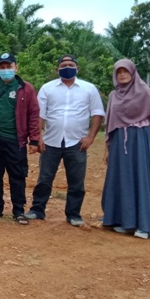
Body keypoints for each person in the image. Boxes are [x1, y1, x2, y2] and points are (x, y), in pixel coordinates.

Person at [25, 55, 105, 226]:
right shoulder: (47, 88)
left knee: (76, 181)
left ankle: (73, 214)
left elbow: (97, 113)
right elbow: (40, 114)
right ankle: (37, 210)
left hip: (76, 142)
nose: (67, 67)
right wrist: (38, 136)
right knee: (44, 179)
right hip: (50, 141)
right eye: (63, 65)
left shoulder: (89, 89)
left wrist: (91, 137)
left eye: (71, 64)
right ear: (57, 69)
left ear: (78, 68)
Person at [101, 59, 150, 239]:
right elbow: (109, 124)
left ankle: (145, 225)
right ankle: (127, 222)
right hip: (118, 142)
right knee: (122, 180)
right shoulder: (113, 96)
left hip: (140, 140)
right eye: (119, 72)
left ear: (133, 73)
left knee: (142, 178)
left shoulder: (144, 92)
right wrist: (107, 148)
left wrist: (138, 127)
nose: (122, 74)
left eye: (126, 71)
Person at [0, 53, 40, 225]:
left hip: (15, 139)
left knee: (17, 174)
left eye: (9, 66)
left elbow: (33, 115)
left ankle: (18, 210)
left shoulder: (26, 88)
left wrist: (34, 139)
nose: (6, 70)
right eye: (2, 67)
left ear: (16, 67)